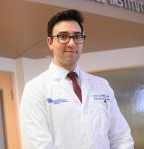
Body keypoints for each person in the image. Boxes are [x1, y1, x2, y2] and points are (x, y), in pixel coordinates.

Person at [20, 9, 134, 149]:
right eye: (63, 36)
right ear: (50, 42)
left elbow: (121, 137)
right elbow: (38, 145)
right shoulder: (35, 89)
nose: (72, 43)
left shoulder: (102, 85)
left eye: (77, 36)